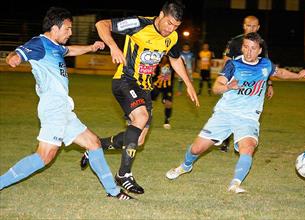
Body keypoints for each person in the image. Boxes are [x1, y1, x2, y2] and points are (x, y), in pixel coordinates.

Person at [0, 7, 133, 200]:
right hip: (53, 109)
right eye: (68, 29)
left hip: (63, 109)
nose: (70, 33)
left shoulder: (54, 46)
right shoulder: (39, 43)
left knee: (94, 144)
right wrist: (14, 58)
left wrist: (90, 47)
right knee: (44, 157)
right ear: (55, 28)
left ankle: (113, 192)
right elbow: (18, 53)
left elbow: (69, 50)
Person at [166, 32, 305, 194]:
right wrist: (229, 86)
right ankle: (186, 166)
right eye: (246, 47)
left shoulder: (266, 64)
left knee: (248, 147)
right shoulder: (233, 65)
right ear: (242, 47)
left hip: (248, 117)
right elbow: (216, 88)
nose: (248, 52)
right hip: (225, 114)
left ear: (259, 50)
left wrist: (298, 75)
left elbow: (281, 73)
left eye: (253, 48)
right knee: (196, 149)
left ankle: (235, 184)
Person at [79, 0, 199, 194]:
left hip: (144, 88)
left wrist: (188, 84)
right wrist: (113, 47)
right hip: (125, 80)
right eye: (168, 23)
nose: (170, 29)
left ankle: (95, 145)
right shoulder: (138, 24)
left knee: (138, 140)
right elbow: (102, 24)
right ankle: (123, 175)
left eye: (175, 26)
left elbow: (175, 59)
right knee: (141, 118)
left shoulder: (173, 37)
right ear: (160, 15)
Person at [219, 15, 274, 152]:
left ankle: (244, 139)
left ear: (258, 27)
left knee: (249, 113)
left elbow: (266, 66)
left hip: (253, 86)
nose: (252, 28)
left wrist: (270, 84)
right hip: (235, 83)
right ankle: (225, 140)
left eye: (254, 26)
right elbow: (226, 60)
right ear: (244, 26)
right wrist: (224, 80)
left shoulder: (261, 44)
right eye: (249, 25)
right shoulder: (235, 42)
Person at [151, 55, 175, 129]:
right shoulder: (156, 65)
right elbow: (152, 75)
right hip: (156, 86)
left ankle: (167, 120)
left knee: (168, 103)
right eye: (163, 57)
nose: (164, 58)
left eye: (166, 57)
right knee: (148, 101)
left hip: (168, 88)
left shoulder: (172, 65)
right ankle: (148, 115)